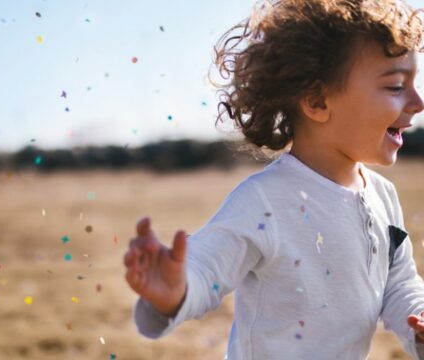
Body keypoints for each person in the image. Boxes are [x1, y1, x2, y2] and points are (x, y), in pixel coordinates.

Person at [123, 0, 424, 358]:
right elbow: (208, 265)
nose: (418, 101)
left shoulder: (383, 195)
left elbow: (399, 283)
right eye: (395, 87)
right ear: (317, 101)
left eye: (414, 84)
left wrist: (419, 322)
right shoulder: (265, 200)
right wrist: (176, 290)